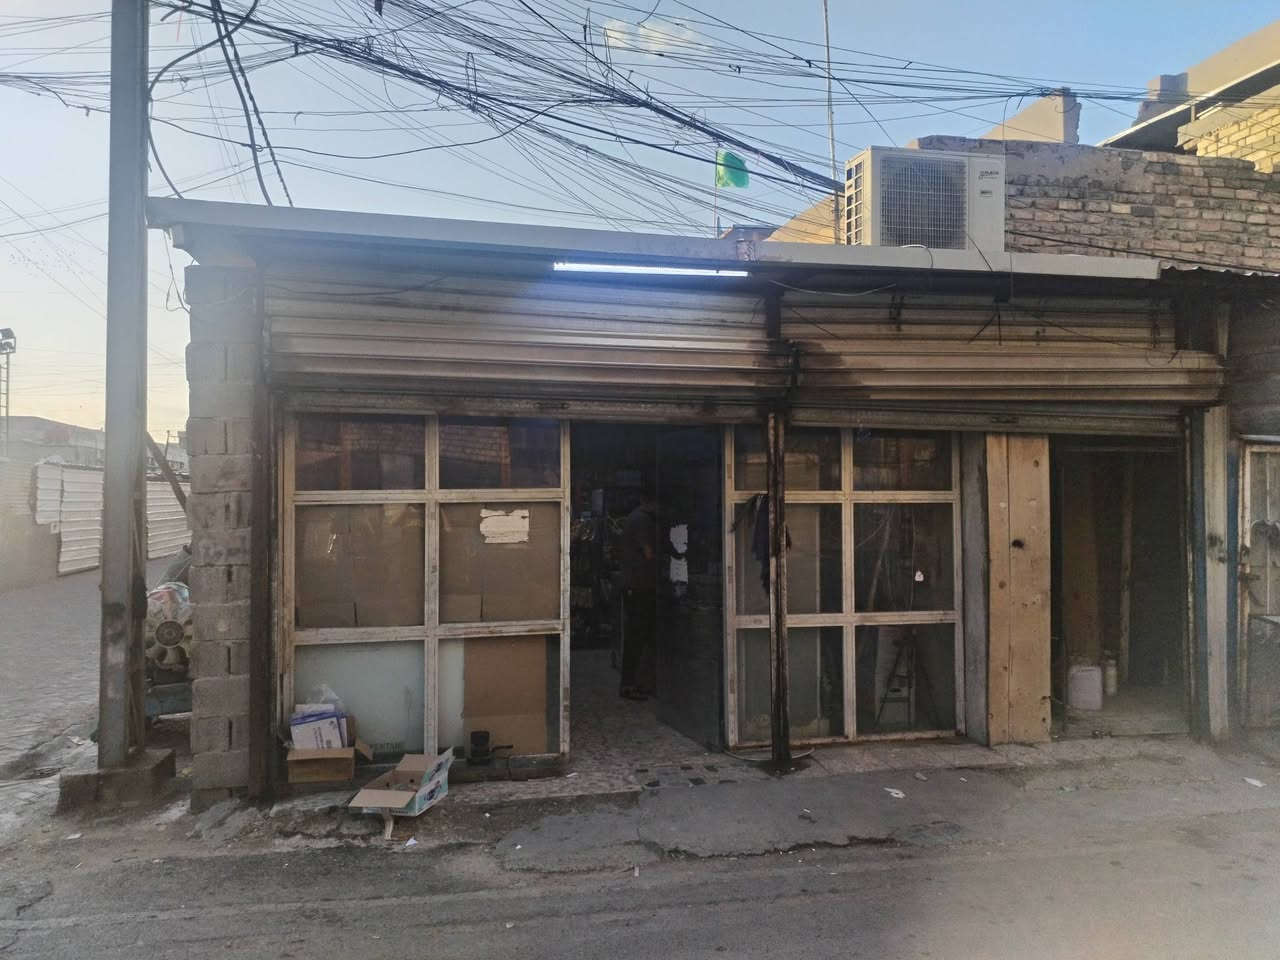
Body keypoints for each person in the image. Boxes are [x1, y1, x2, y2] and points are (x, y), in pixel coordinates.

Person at [619, 490, 658, 700]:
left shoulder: (633, 518)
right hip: (639, 586)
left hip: (634, 585)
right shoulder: (642, 520)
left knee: (638, 635)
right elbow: (648, 552)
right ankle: (630, 684)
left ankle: (638, 682)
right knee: (637, 636)